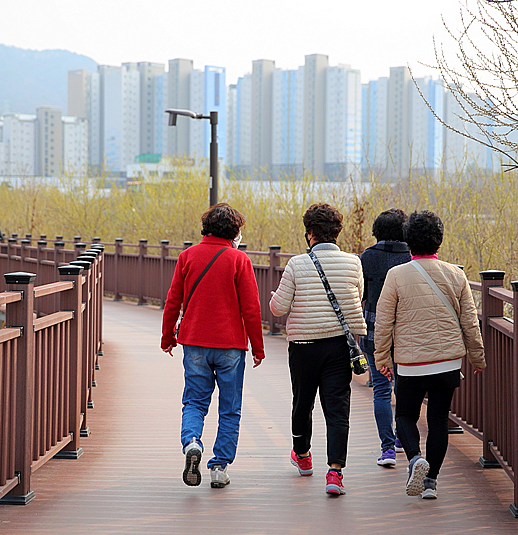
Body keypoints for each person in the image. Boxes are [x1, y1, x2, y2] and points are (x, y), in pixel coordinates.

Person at [374, 210, 486, 500]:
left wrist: (382, 357)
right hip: (447, 361)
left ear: (409, 241)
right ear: (439, 240)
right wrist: (477, 357)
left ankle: (414, 459)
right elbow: (469, 321)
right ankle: (431, 482)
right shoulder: (456, 274)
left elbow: (384, 321)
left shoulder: (396, 275)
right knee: (438, 419)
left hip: (410, 363)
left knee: (406, 416)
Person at [160, 203, 265, 489]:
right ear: (235, 231)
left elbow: (173, 301)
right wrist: (258, 347)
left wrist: (167, 337)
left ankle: (192, 442)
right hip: (231, 345)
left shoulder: (187, 257)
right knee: (230, 407)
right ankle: (219, 467)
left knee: (194, 400)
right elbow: (251, 309)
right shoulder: (238, 260)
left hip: (194, 342)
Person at [269, 203, 365, 496]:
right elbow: (357, 297)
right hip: (339, 345)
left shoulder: (297, 264)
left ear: (310, 233)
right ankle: (335, 472)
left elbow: (278, 308)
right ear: (337, 232)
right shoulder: (353, 262)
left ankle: (303, 456)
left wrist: (276, 296)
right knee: (337, 408)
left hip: (304, 346)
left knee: (303, 402)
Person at [359, 208, 411, 467]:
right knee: (405, 389)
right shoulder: (412, 257)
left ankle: (387, 449)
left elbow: (361, 294)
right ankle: (403, 438)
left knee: (381, 390)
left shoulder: (367, 257)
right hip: (406, 333)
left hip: (373, 331)